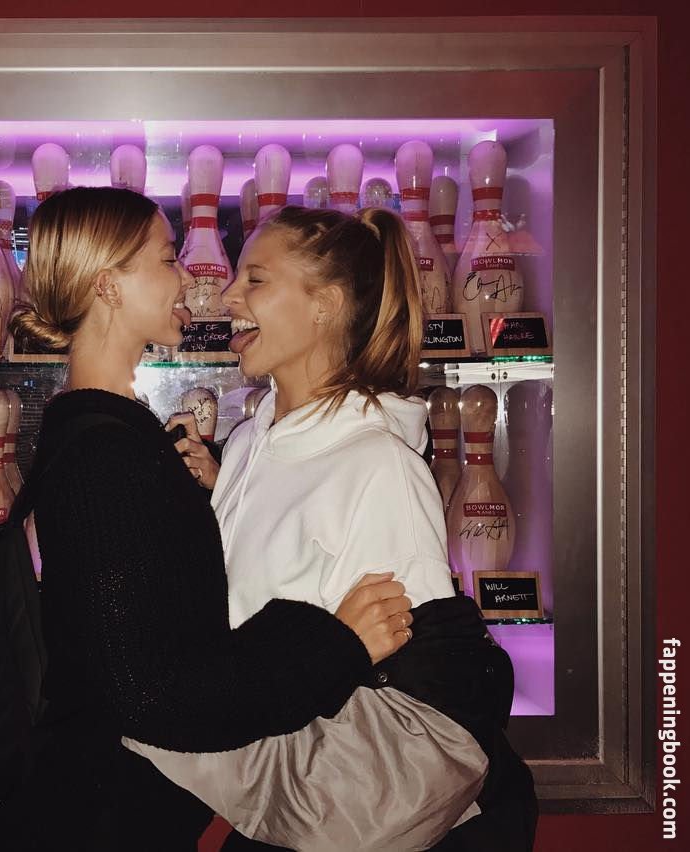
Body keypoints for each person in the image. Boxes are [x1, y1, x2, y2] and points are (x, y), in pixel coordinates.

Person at [0, 187, 418, 851]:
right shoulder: (108, 455)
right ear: (108, 286)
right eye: (167, 259)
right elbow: (151, 694)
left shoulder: (103, 433)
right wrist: (338, 645)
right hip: (99, 825)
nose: (192, 277)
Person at [129, 205, 537, 851]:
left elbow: (411, 691)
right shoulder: (250, 443)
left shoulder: (379, 466)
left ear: (326, 305)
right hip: (282, 789)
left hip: (341, 802)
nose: (228, 295)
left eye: (256, 279)